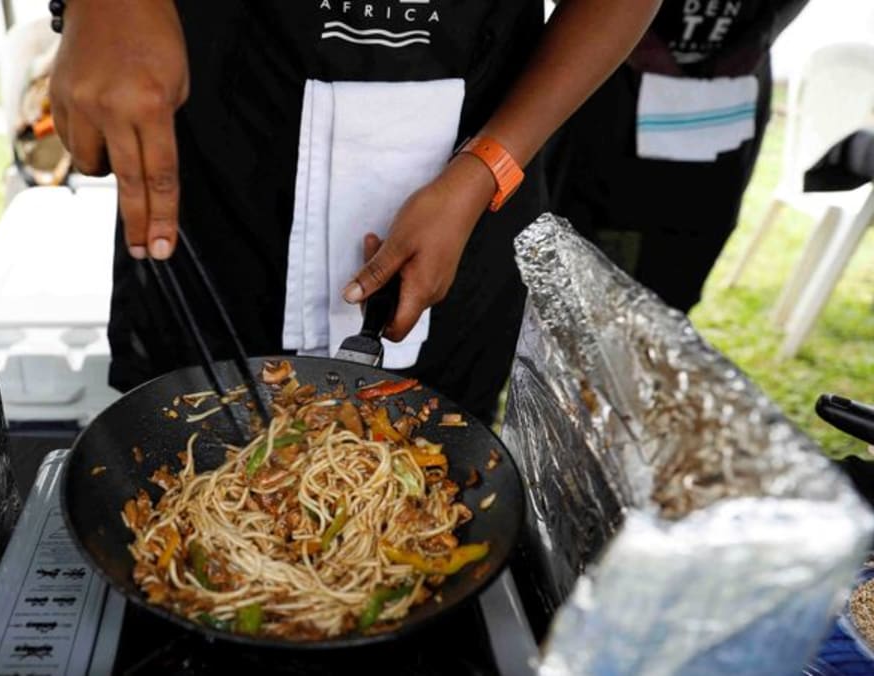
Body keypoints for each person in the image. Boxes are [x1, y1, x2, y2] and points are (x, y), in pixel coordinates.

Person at [48, 0, 660, 424]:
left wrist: (487, 169)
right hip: (219, 184)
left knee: (429, 498)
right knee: (181, 466)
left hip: (466, 201)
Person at [546, 0, 810, 313]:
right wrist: (626, 33)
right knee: (583, 264)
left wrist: (763, 34)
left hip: (725, 102)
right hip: (614, 100)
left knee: (681, 265)